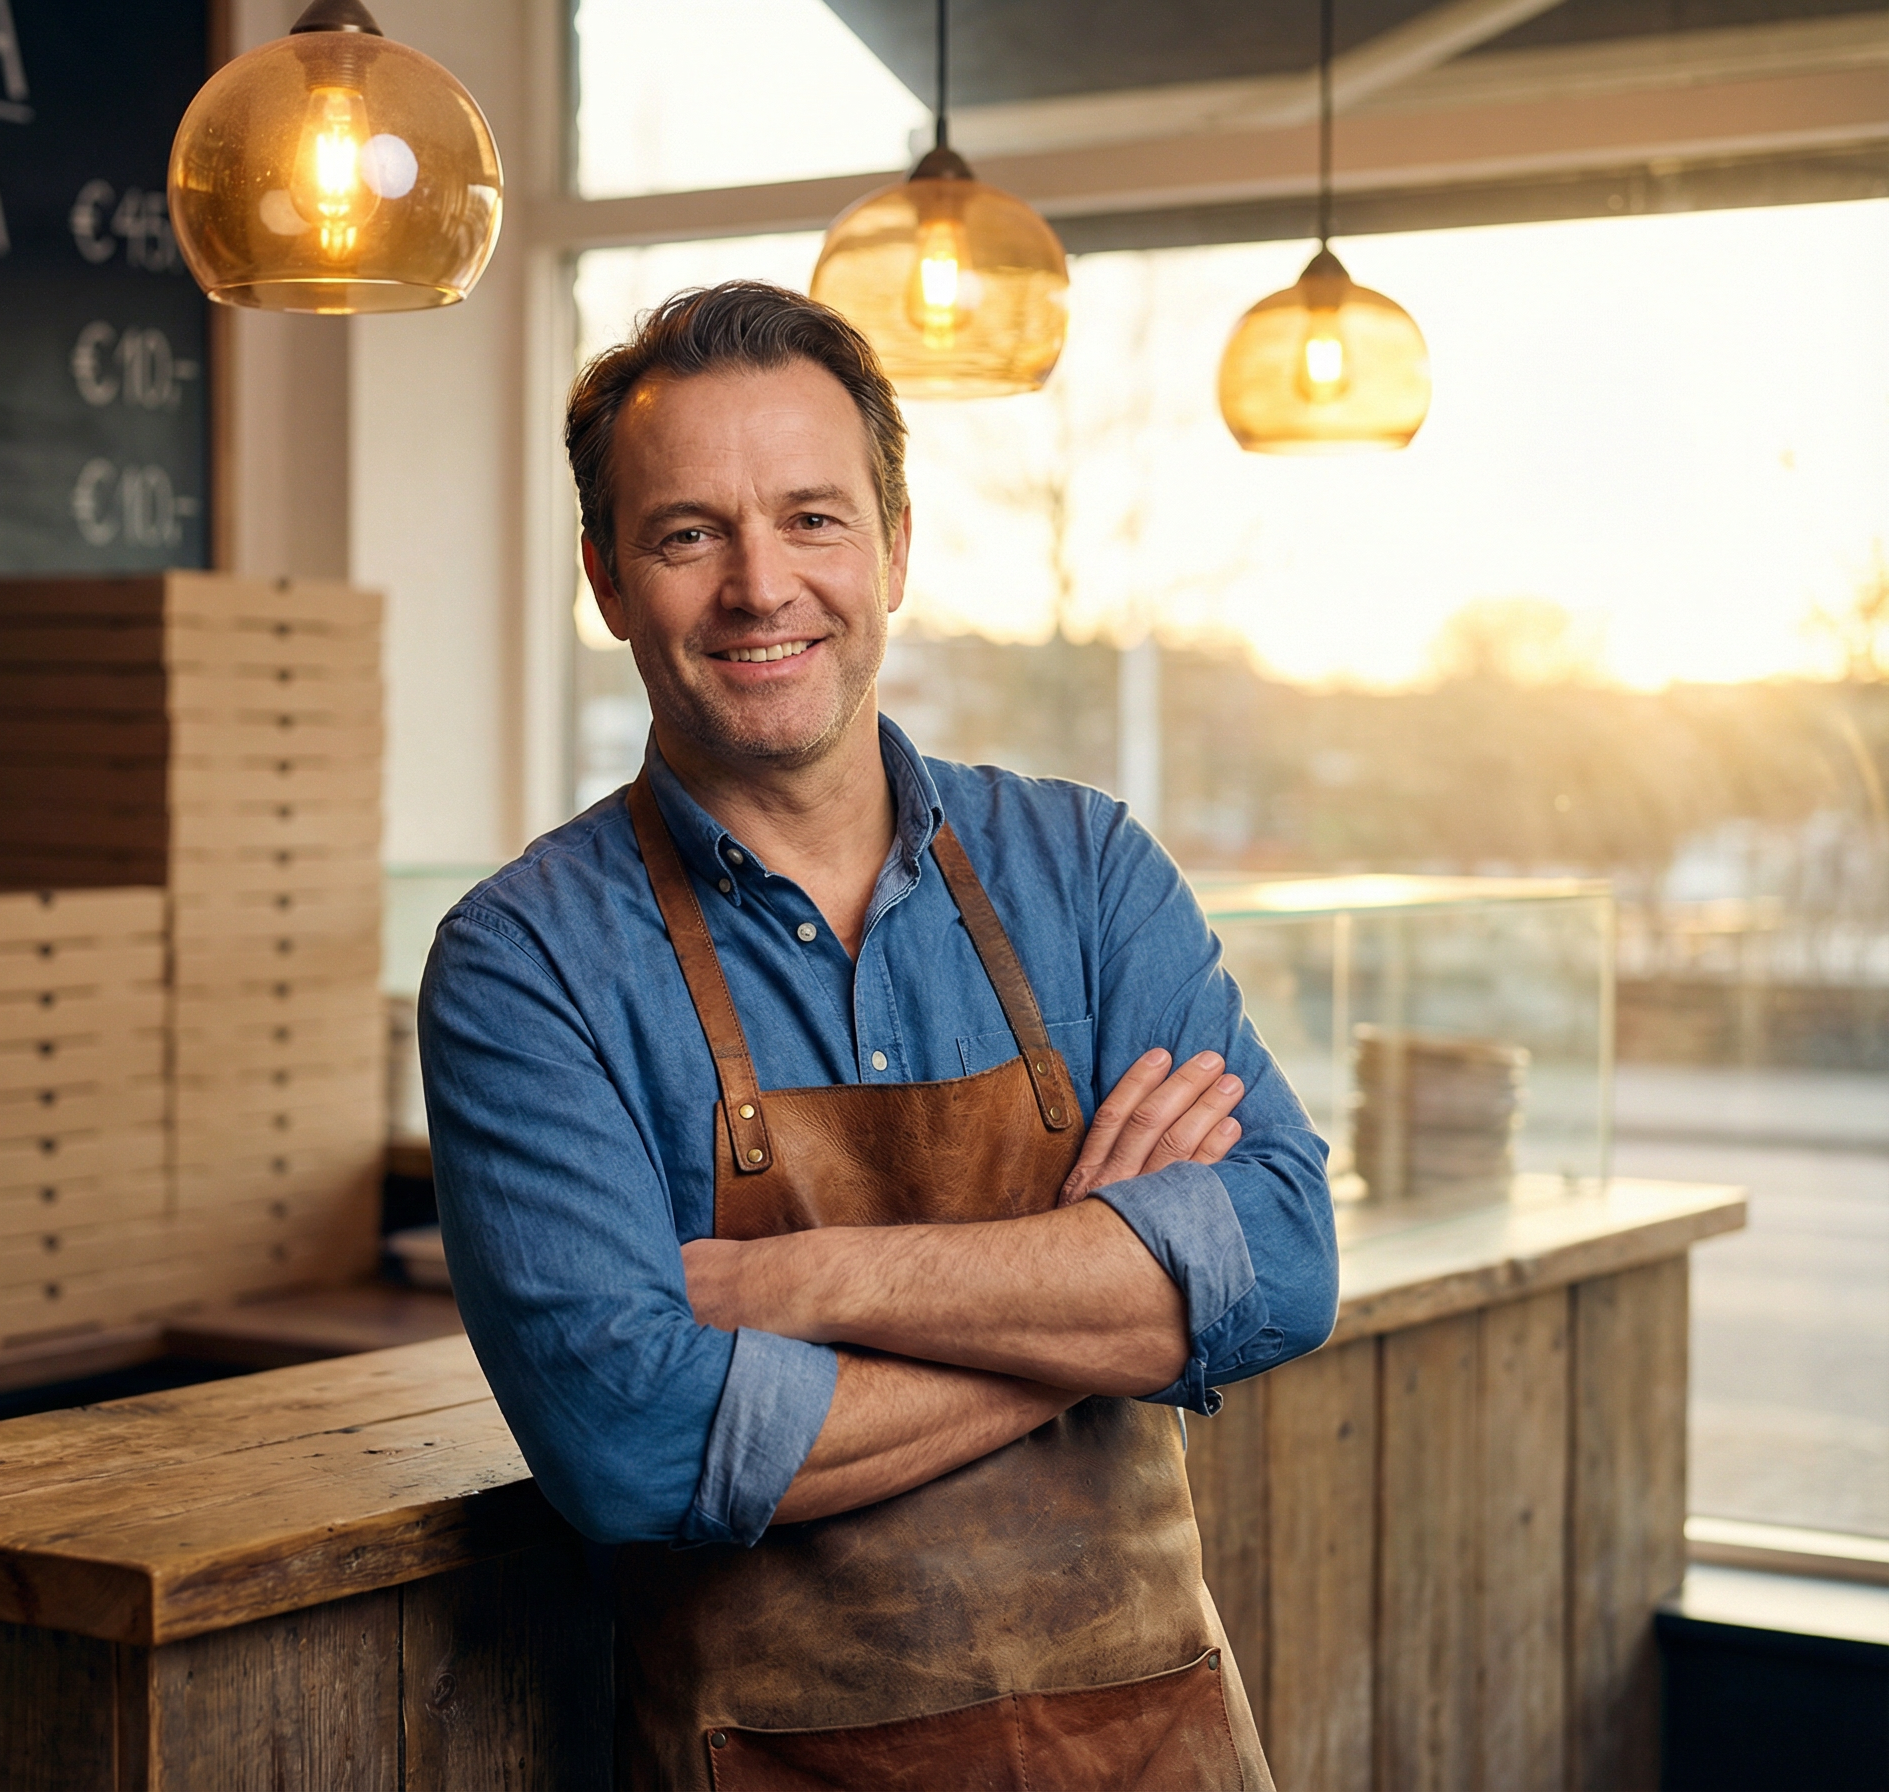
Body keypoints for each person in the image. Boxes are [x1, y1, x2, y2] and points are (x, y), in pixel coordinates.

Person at [418, 281, 1336, 1789]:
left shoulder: (1085, 869)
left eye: (814, 519)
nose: (759, 586)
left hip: (1158, 1752)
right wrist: (1102, 1313)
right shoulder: (527, 963)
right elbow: (633, 1443)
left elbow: (1286, 1260)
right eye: (688, 533)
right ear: (604, 579)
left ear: (897, 548)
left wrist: (811, 1279)